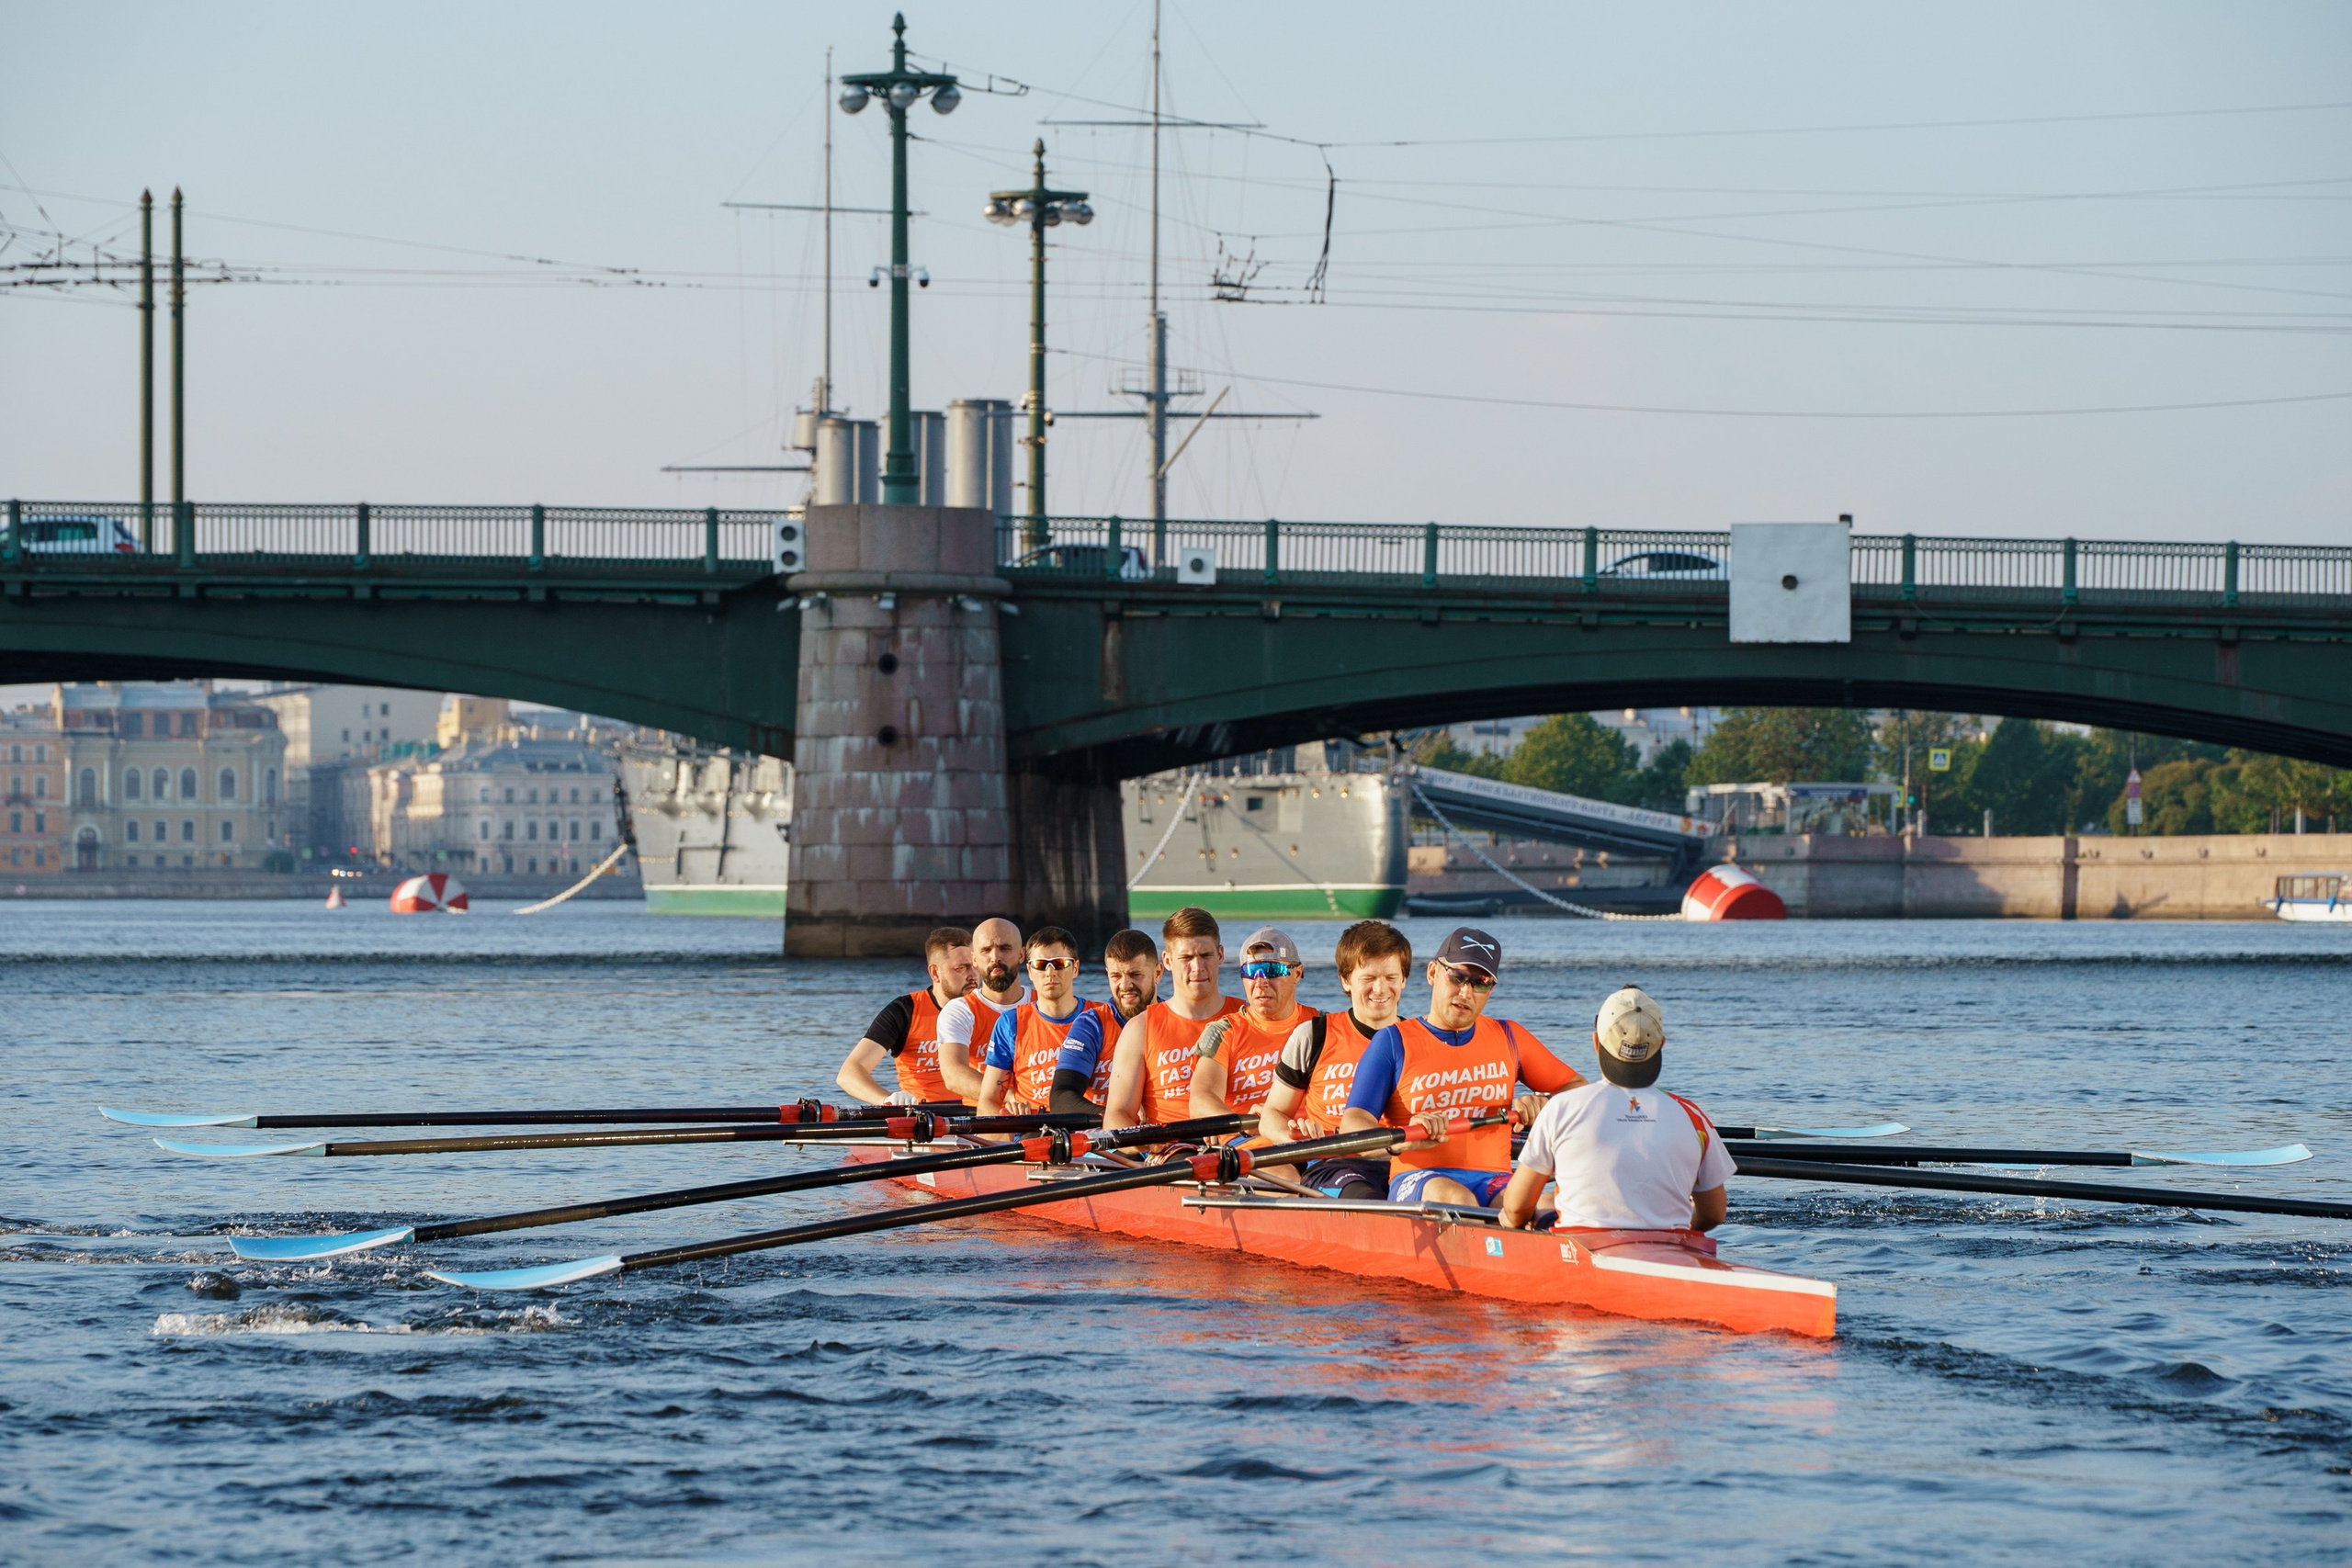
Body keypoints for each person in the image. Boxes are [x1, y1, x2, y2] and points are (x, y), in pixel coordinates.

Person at [1338, 926, 1586, 1208]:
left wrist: (1546, 1105)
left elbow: (1580, 1091)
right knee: (1459, 1199)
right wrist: (1402, 1142)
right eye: (1457, 977)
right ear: (1432, 973)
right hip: (1418, 1177)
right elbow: (1353, 1123)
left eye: (1480, 982)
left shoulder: (1509, 1036)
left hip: (1494, 1179)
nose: (1466, 992)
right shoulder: (1393, 1041)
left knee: (1546, 1205)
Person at [1499, 986, 1733, 1234]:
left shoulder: (1561, 1108)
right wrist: (1689, 1229)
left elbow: (1515, 1209)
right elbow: (1714, 1214)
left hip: (1584, 1251)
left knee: (1541, 1206)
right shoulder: (1692, 1116)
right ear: (1661, 1045)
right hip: (1673, 1248)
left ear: (1596, 1042)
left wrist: (1512, 1221)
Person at [1257, 919, 1409, 1201]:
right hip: (1333, 1164)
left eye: (1390, 978)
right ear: (1346, 980)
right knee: (1368, 1201)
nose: (1380, 989)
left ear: (1404, 980)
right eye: (1368, 979)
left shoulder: (1420, 1039)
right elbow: (1271, 1116)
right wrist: (1294, 1135)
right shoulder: (1314, 1035)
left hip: (1404, 1165)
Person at [1101, 907, 1241, 1131]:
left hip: (1241, 1143)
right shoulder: (1140, 1028)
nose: (1197, 968)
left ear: (1221, 955)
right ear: (1167, 960)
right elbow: (1117, 1117)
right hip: (1172, 1150)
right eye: (1186, 958)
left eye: (1205, 955)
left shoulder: (1247, 1018)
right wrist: (1149, 1146)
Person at [833, 926, 976, 1106]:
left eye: (975, 966)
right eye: (961, 968)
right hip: (925, 1119)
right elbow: (849, 1073)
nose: (973, 976)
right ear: (934, 972)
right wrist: (888, 1099)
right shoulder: (904, 1011)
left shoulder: (991, 1007)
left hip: (982, 1115)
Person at [977, 927, 1109, 1117]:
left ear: (1076, 968)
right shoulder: (1010, 1023)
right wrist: (1008, 1115)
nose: (1050, 972)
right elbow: (988, 1102)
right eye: (1040, 964)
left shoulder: (1102, 1016)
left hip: (1092, 1126)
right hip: (1034, 1129)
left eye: (1059, 963)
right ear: (1030, 970)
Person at [1190, 927, 1318, 1120]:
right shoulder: (1223, 1032)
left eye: (1272, 970)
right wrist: (1245, 1122)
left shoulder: (1321, 1026)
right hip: (1247, 1142)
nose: (1260, 982)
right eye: (1251, 971)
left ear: (1297, 973)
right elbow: (1200, 1101)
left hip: (1310, 1141)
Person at [1049, 929, 1163, 1113]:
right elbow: (1061, 1097)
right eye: (1116, 976)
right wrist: (1117, 1117)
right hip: (1106, 1137)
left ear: (1158, 973)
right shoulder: (1091, 1025)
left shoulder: (1175, 1019)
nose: (1125, 986)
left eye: (1135, 975)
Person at [934, 918, 1026, 1105]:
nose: (995, 957)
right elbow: (953, 1075)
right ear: (974, 959)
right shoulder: (960, 1010)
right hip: (982, 1123)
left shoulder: (1042, 1003)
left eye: (1005, 948)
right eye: (986, 950)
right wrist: (1011, 1096)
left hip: (1041, 1115)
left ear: (1021, 954)